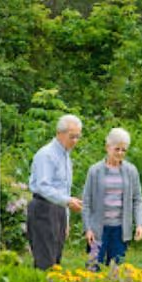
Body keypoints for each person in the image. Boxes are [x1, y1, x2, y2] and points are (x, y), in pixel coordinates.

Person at [82, 128, 142, 267]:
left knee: (116, 270)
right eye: (117, 149)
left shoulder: (131, 170)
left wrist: (140, 224)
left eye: (124, 150)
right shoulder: (94, 171)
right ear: (107, 147)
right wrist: (88, 228)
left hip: (120, 230)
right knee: (93, 268)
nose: (120, 153)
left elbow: (138, 200)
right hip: (98, 229)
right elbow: (86, 202)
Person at [27, 114, 83, 270]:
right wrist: (68, 201)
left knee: (56, 260)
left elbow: (65, 189)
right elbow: (43, 186)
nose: (75, 141)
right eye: (72, 137)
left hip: (58, 209)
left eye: (78, 137)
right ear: (60, 133)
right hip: (43, 209)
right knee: (45, 260)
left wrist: (65, 219)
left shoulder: (65, 156)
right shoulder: (46, 154)